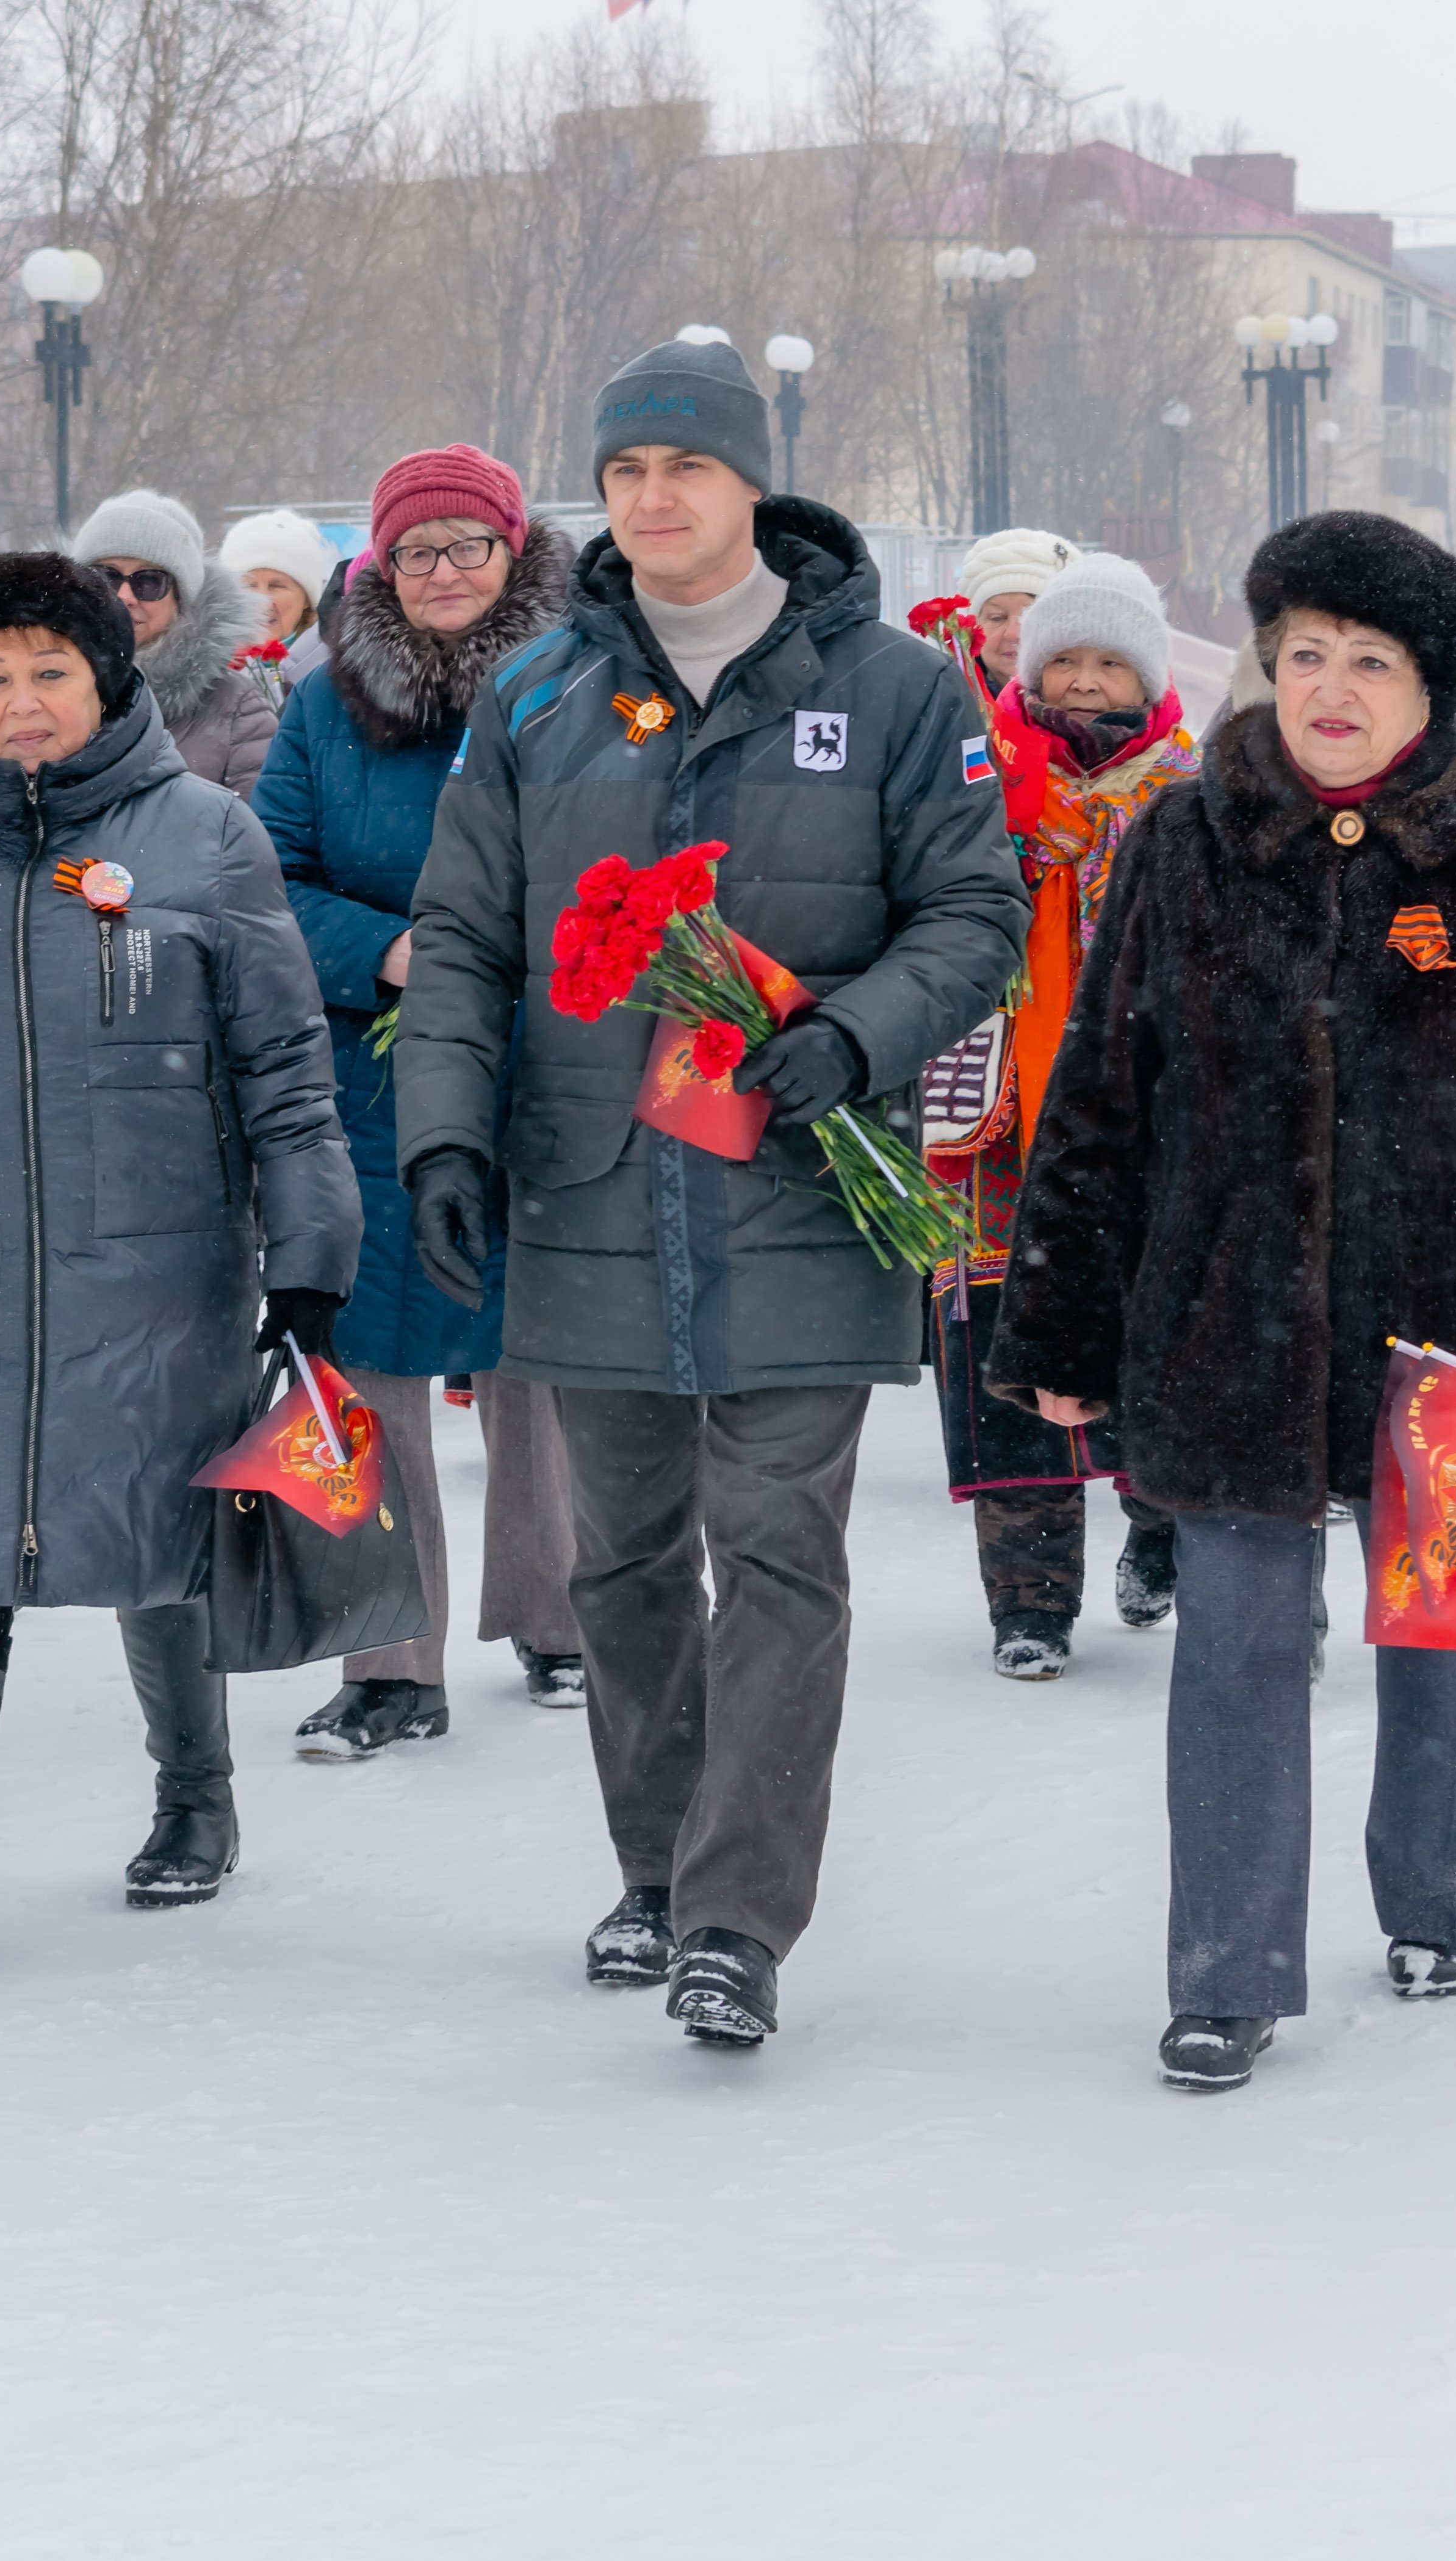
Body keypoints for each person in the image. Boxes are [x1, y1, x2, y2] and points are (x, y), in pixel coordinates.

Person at [992, 511, 1456, 2093]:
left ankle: (1441, 1906)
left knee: (1446, 1632)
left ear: (1428, 688)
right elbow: (1102, 1095)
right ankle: (1222, 1971)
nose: (1324, 686)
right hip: (1222, 1315)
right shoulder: (1185, 838)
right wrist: (1060, 1322)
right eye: (1300, 652)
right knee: (1234, 1645)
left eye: (1364, 661)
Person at [396, 334, 1025, 2047]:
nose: (652, 500)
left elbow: (977, 916)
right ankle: (654, 1868)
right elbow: (458, 938)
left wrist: (852, 1036)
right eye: (622, 473)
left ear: (753, 482)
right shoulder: (537, 693)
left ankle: (737, 1917)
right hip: (590, 1186)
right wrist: (441, 1136)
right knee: (619, 1564)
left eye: (683, 466)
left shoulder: (892, 690)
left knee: (775, 1551)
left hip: (804, 1188)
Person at [0, 552, 357, 1987]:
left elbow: (284, 1065)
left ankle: (194, 1790)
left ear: (106, 678)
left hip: (154, 1268)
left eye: (50, 669)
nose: (22, 699)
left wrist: (306, 1255)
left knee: (152, 1541)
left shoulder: (204, 835)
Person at [256, 442, 585, 1757]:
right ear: (377, 568)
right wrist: (391, 952)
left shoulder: (582, 685)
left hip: (543, 1050)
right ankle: (387, 1655)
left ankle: (560, 1610)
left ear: (512, 552)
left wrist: (508, 958)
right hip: (369, 1066)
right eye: (413, 550)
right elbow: (265, 873)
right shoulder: (323, 703)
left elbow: (628, 859)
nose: (440, 570)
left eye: (466, 544)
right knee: (364, 1353)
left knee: (541, 1349)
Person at [926, 551, 1200, 1679]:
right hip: (1003, 1110)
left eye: (1109, 663)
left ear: (1149, 678)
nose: (1085, 683)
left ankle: (1162, 1521)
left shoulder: (1195, 795)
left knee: (1156, 1332)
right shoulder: (974, 781)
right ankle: (1028, 1595)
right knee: (1003, 1348)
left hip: (1150, 1118)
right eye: (1065, 661)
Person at [68, 488, 279, 797]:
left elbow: (253, 832)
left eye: (149, 581)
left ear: (181, 599)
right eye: (105, 577)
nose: (124, 597)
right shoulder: (36, 690)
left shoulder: (237, 707)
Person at [221, 506, 338, 700]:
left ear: (307, 600)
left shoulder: (340, 668)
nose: (262, 601)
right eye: (249, 586)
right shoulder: (205, 674)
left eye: (277, 586)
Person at [957, 527, 1076, 695]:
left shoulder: (1100, 711)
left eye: (1031, 616)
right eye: (997, 618)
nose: (1013, 634)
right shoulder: (949, 706)